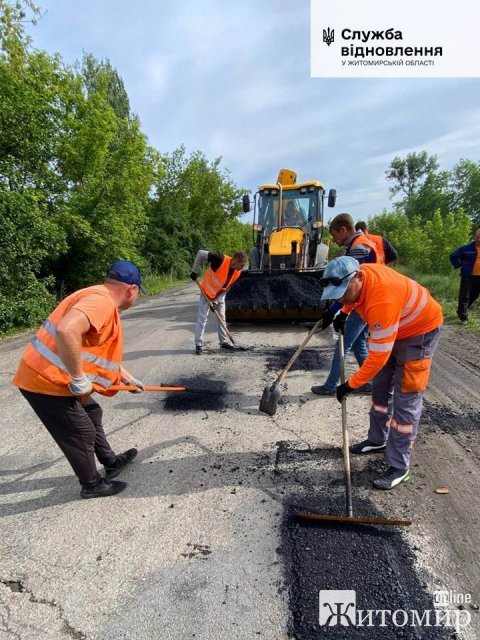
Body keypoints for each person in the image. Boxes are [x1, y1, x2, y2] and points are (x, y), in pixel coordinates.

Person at [12, 260, 146, 499]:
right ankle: (92, 484)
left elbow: (92, 353)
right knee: (81, 431)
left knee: (92, 413)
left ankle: (111, 462)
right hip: (44, 381)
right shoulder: (101, 302)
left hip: (53, 378)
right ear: (131, 289)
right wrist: (78, 377)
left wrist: (127, 378)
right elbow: (67, 330)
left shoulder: (96, 296)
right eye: (137, 293)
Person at [321, 256, 443, 490]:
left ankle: (399, 466)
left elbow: (377, 358)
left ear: (357, 278)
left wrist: (350, 385)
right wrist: (344, 311)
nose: (340, 296)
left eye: (342, 291)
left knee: (405, 399)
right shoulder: (361, 275)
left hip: (420, 331)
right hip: (395, 326)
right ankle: (377, 440)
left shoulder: (382, 300)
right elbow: (354, 296)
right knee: (380, 389)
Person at [311, 213, 380, 397]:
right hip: (364, 301)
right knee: (358, 344)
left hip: (365, 301)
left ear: (343, 229)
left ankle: (331, 385)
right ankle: (370, 382)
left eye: (334, 235)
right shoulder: (361, 243)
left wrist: (334, 311)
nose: (333, 240)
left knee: (343, 344)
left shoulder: (359, 249)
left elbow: (350, 286)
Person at [190, 250, 248, 355]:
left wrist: (216, 301)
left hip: (220, 296)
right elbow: (200, 253)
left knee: (222, 318)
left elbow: (227, 288)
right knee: (202, 318)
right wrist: (195, 271)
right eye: (242, 265)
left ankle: (223, 342)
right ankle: (198, 344)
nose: (242, 268)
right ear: (235, 261)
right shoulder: (220, 259)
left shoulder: (237, 272)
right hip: (206, 292)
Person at [449, 228, 480, 324]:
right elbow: (453, 255)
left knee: (475, 295)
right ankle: (463, 317)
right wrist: (459, 265)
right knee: (464, 296)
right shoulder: (467, 248)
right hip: (468, 276)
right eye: (477, 237)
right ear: (475, 236)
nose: (479, 239)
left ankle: (461, 310)